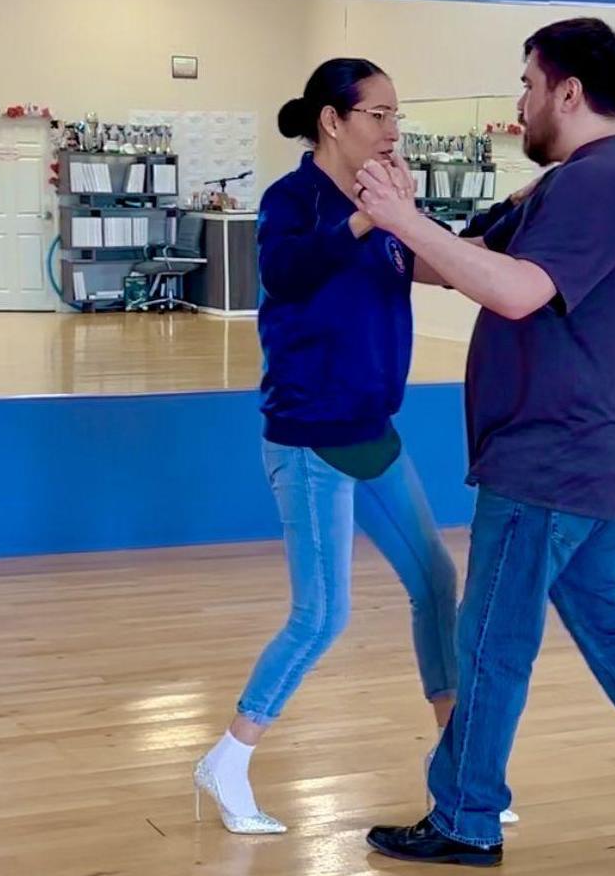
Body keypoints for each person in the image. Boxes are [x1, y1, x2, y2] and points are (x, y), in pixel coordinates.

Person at [356, 18, 615, 867]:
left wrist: (403, 220)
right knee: (608, 624)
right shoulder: (574, 183)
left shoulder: (599, 183)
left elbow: (512, 294)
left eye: (529, 86)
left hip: (554, 459)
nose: (522, 103)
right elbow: (463, 262)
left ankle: (465, 816)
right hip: (589, 453)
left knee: (492, 640)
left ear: (568, 92)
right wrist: (400, 217)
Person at [194, 58, 517, 835]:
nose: (392, 130)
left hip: (372, 432)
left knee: (437, 582)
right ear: (333, 122)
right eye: (378, 114)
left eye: (396, 116)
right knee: (323, 615)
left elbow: (432, 264)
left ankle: (458, 763)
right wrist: (370, 219)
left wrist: (514, 207)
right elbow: (285, 269)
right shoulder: (291, 201)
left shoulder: (387, 204)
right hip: (309, 436)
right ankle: (229, 757)